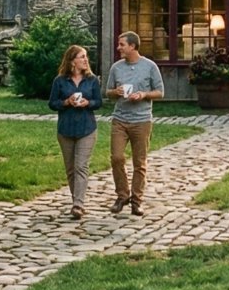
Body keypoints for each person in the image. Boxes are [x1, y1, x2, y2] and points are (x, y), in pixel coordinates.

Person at [106, 31, 164, 215]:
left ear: (132, 46)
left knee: (139, 162)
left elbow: (160, 92)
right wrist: (116, 92)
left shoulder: (150, 66)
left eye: (122, 45)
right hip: (120, 119)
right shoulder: (116, 68)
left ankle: (136, 201)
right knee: (117, 158)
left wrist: (143, 94)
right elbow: (107, 92)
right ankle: (122, 196)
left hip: (141, 120)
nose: (118, 48)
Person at [47, 44, 103, 218]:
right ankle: (76, 201)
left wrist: (88, 103)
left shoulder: (92, 80)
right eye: (82, 56)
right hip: (66, 129)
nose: (86, 59)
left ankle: (78, 205)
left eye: (86, 56)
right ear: (72, 61)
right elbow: (52, 103)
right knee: (71, 169)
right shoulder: (60, 81)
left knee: (81, 167)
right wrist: (66, 102)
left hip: (87, 129)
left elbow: (99, 102)